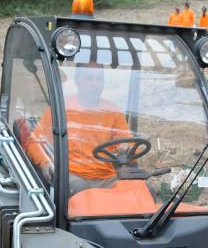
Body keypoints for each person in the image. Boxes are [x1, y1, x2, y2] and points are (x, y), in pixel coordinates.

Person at [25, 63, 132, 195]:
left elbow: (130, 143)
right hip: (73, 175)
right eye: (88, 79)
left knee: (137, 192)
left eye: (99, 79)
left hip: (108, 177)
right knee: (82, 194)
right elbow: (34, 142)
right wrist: (44, 162)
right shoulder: (61, 109)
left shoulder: (112, 111)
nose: (94, 84)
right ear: (77, 81)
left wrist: (126, 145)